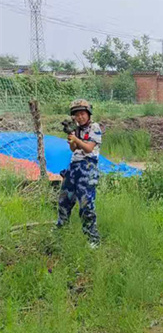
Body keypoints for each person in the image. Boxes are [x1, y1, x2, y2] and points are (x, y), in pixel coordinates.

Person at [55, 99, 102, 249]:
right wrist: (71, 136)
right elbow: (73, 149)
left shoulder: (94, 127)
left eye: (82, 114)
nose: (80, 117)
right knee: (64, 200)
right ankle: (61, 233)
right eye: (76, 115)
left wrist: (76, 139)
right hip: (74, 166)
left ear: (88, 114)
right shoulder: (76, 129)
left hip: (87, 167)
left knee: (86, 204)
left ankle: (92, 239)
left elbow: (88, 148)